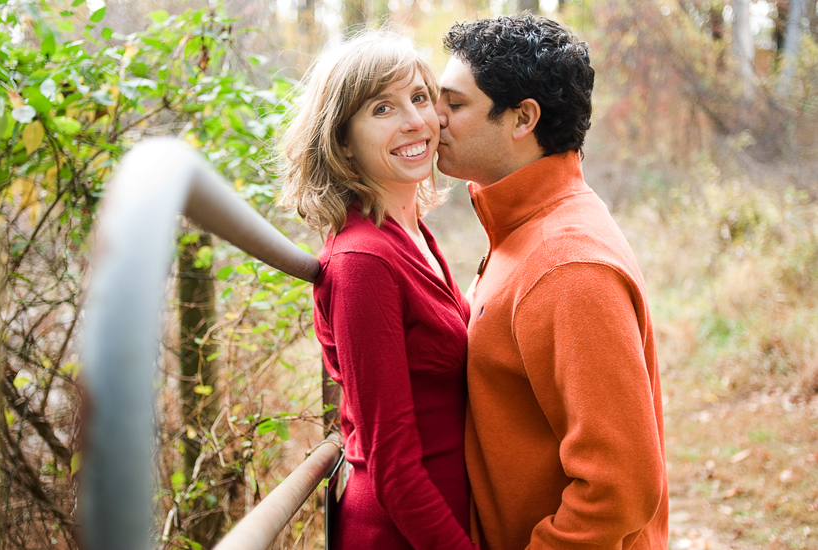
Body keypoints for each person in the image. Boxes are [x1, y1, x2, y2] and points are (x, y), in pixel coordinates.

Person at [434, 13, 669, 550]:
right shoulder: (522, 228)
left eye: (455, 103)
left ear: (522, 119)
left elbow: (620, 487)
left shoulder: (567, 264)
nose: (433, 118)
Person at [280, 32, 477, 550]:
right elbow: (393, 467)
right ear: (342, 139)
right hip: (406, 535)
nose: (415, 121)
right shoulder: (363, 260)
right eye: (383, 107)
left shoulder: (411, 234)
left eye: (418, 98)